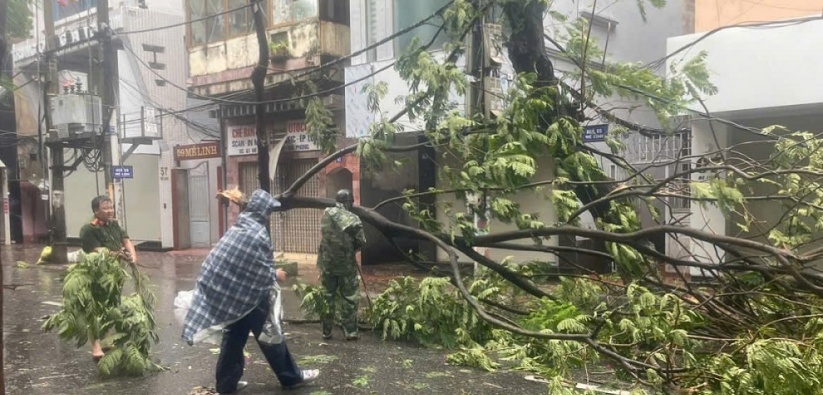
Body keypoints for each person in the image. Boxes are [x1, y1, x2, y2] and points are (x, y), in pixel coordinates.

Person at [183, 189, 319, 394]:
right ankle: (291, 378)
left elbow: (241, 263)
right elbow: (258, 269)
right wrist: (275, 274)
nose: (269, 216)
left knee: (234, 337)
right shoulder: (256, 233)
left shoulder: (239, 227)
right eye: (268, 212)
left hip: (232, 294)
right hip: (248, 296)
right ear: (262, 211)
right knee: (269, 335)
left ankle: (226, 385)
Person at [78, 195, 137, 361]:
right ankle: (96, 346)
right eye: (105, 208)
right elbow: (96, 251)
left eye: (111, 207)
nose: (110, 211)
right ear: (96, 211)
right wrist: (117, 254)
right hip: (98, 274)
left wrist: (132, 255)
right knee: (95, 309)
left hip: (115, 273)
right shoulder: (89, 229)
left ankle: (105, 340)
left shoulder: (115, 224)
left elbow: (126, 240)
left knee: (111, 306)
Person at [317, 189, 366, 340]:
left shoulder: (325, 214)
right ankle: (350, 331)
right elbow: (361, 242)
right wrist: (351, 249)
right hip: (346, 266)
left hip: (327, 264)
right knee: (350, 297)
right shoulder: (354, 219)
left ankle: (326, 331)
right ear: (348, 202)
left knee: (327, 296)